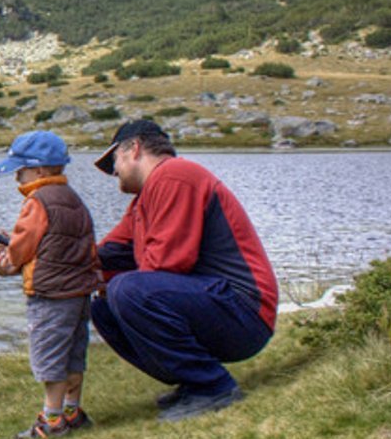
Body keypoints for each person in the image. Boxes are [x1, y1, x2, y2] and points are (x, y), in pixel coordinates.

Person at [90, 119, 278, 421]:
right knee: (103, 308)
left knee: (125, 290)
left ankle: (214, 387)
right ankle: (194, 381)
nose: (114, 172)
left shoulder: (175, 176)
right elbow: (106, 254)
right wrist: (38, 260)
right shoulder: (143, 201)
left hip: (246, 311)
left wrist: (112, 283)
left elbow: (167, 263)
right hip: (215, 305)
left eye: (114, 161)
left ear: (134, 149)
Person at [0, 130, 103, 439]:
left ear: (38, 170)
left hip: (50, 295)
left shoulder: (37, 201)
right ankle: (72, 412)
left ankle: (51, 422)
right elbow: (72, 243)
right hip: (79, 293)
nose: (17, 179)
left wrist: (2, 259)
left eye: (20, 171)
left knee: (48, 356)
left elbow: (21, 251)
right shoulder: (73, 199)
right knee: (74, 354)